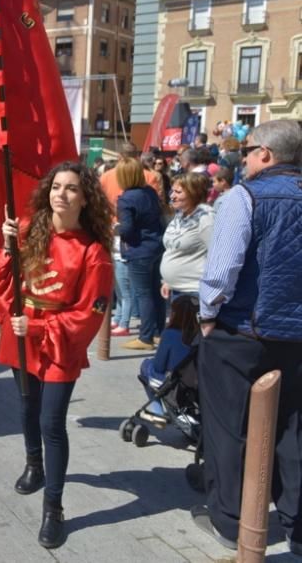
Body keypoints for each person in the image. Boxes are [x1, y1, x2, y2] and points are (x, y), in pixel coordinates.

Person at [191, 119, 302, 554]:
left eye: (248, 149)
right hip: (294, 336)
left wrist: (206, 315)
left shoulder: (245, 196)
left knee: (228, 428)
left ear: (267, 155)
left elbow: (222, 269)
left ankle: (229, 519)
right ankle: (296, 524)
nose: (242, 158)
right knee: (294, 429)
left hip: (242, 332)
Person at [0, 162, 113, 549]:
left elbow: (89, 314)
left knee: (51, 423)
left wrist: (43, 328)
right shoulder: (28, 231)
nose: (61, 193)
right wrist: (6, 245)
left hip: (59, 342)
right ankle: (34, 464)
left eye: (72, 188)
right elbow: (1, 282)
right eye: (56, 186)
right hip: (22, 334)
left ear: (84, 198)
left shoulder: (94, 253)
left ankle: (53, 508)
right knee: (27, 408)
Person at [115, 157, 166, 351]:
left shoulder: (126, 198)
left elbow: (127, 229)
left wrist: (116, 229)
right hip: (155, 246)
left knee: (144, 294)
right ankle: (158, 332)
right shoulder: (149, 192)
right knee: (156, 293)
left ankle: (145, 337)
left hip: (138, 250)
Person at [138, 294, 197, 420]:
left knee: (146, 365)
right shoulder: (200, 336)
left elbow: (159, 367)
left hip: (172, 382)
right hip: (193, 383)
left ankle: (158, 412)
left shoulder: (170, 334)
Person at [160, 173, 213, 303]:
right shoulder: (180, 215)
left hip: (195, 292)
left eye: (178, 192)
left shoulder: (206, 218)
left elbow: (218, 255)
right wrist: (168, 281)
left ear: (193, 193)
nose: (172, 196)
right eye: (172, 191)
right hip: (178, 291)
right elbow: (173, 249)